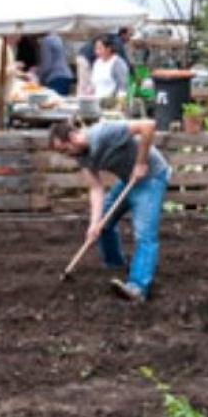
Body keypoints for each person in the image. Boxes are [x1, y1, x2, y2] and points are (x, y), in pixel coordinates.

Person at [48, 118, 170, 302]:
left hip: (151, 176)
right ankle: (115, 265)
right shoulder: (81, 156)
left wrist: (141, 162)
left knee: (145, 234)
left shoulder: (104, 133)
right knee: (103, 225)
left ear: (73, 137)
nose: (67, 155)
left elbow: (148, 126)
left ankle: (138, 288)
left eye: (65, 150)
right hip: (128, 179)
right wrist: (94, 224)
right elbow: (96, 188)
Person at [90, 35, 131, 101]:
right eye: (96, 49)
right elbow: (93, 83)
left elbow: (123, 86)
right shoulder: (97, 63)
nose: (97, 52)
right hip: (96, 101)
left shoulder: (117, 63)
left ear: (108, 49)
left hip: (111, 102)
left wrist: (121, 103)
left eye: (100, 48)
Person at [37, 32, 75, 96]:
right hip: (66, 75)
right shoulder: (59, 38)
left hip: (56, 77)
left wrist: (40, 78)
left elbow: (47, 64)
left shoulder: (46, 41)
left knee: (55, 101)